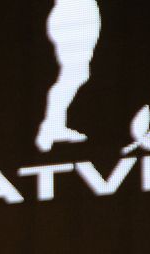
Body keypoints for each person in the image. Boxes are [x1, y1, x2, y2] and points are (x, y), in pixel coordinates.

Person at [36, 0, 101, 152]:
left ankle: (54, 126)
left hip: (79, 17)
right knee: (73, 75)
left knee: (77, 75)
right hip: (73, 18)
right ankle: (50, 128)